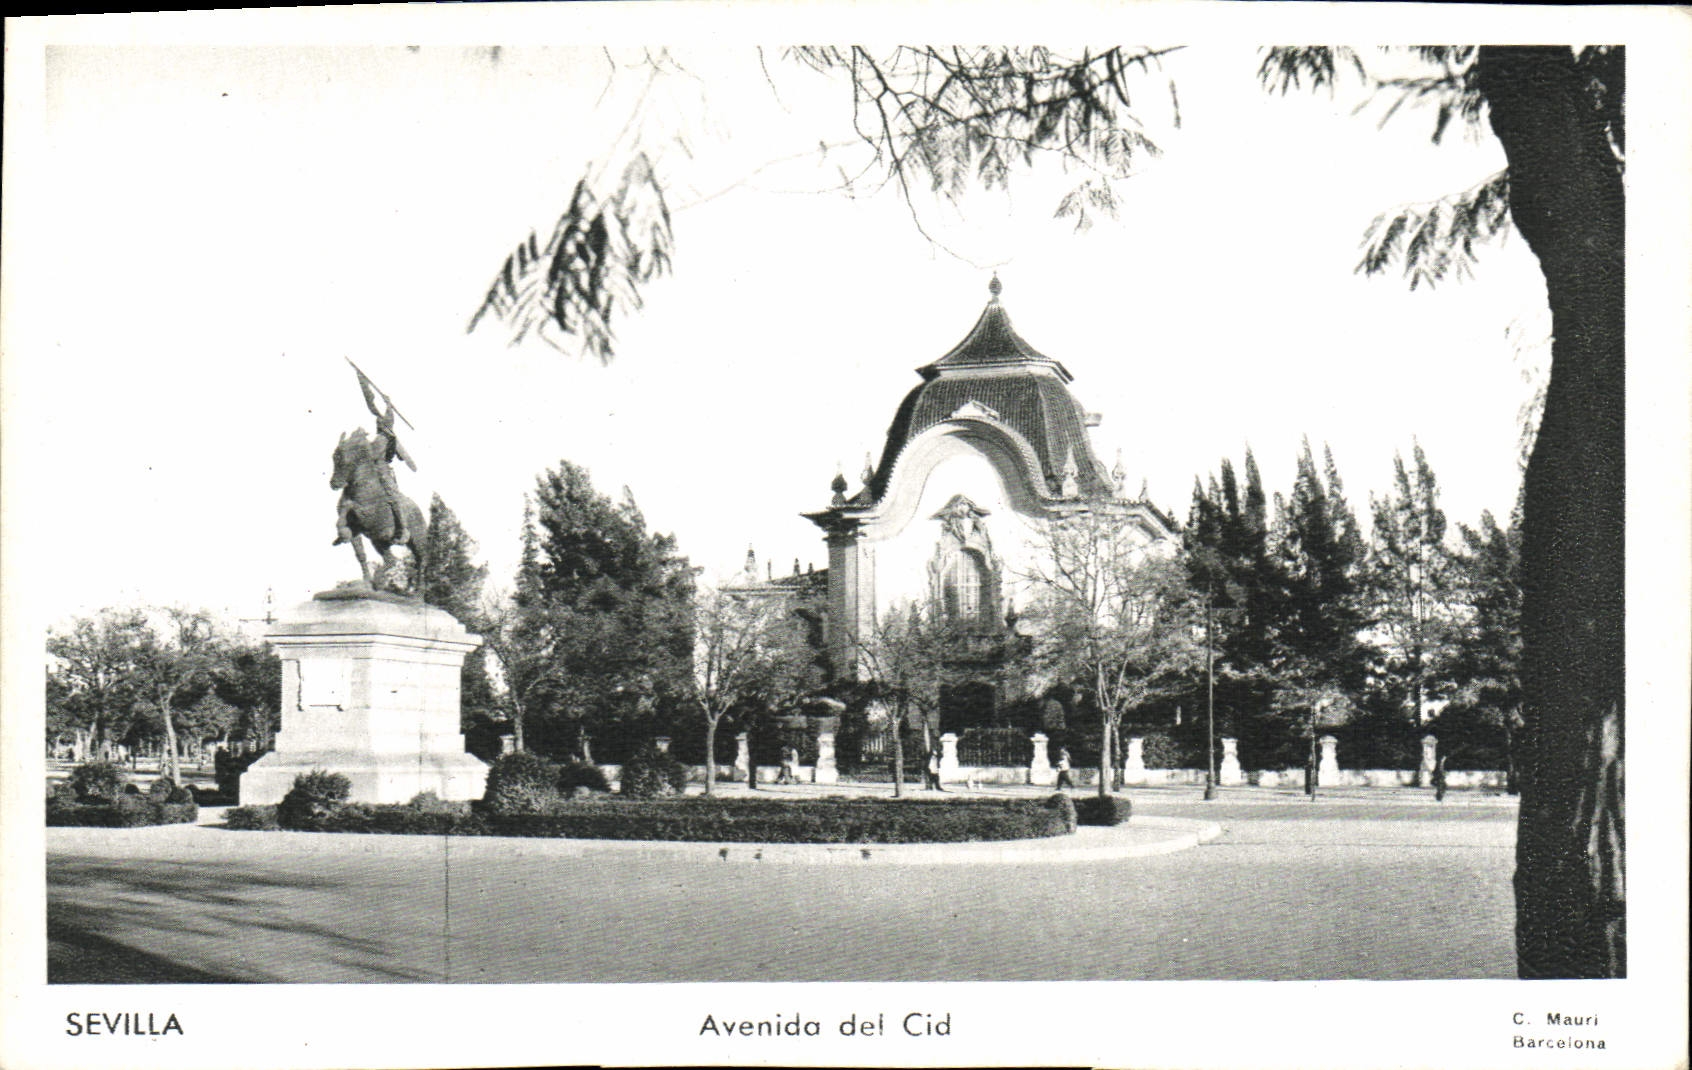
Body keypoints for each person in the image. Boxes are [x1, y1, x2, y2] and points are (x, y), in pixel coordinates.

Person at [355, 367, 417, 544]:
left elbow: (382, 415)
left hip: (382, 471)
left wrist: (389, 406)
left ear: (387, 424)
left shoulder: (386, 438)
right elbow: (373, 407)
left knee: (393, 496)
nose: (379, 422)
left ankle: (403, 530)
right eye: (379, 422)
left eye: (382, 422)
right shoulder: (377, 437)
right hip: (372, 471)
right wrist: (363, 383)